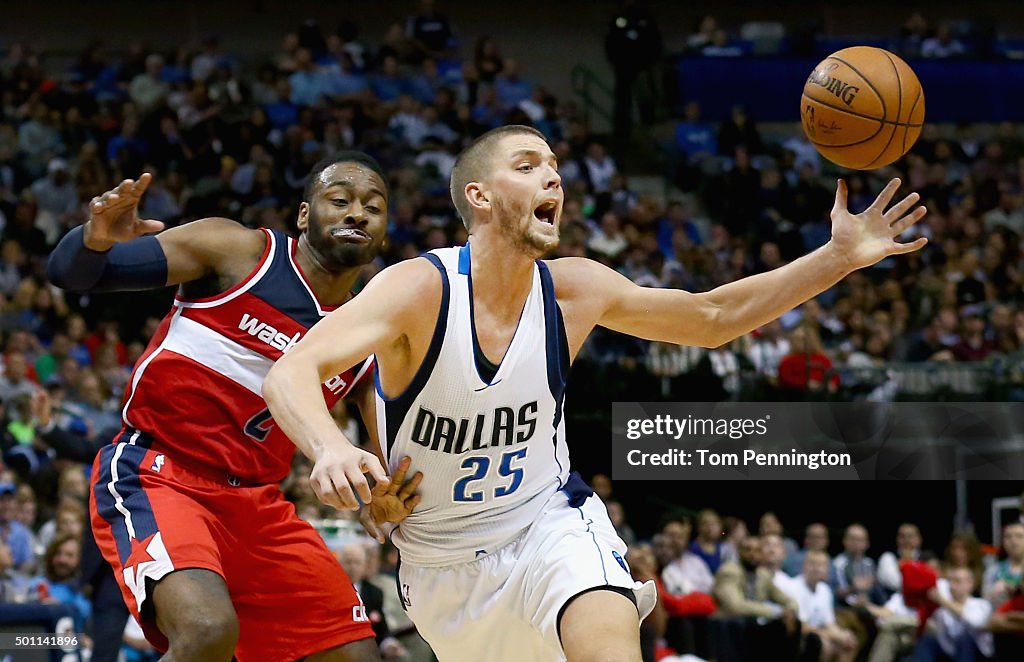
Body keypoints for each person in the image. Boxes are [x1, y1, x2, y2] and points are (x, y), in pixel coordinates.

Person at [263, 124, 928, 661]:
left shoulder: (575, 290)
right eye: (526, 165)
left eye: (554, 165)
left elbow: (714, 318)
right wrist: (328, 448)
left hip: (551, 522)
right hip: (441, 565)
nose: (552, 175)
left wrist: (837, 257)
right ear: (479, 196)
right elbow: (291, 370)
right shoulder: (419, 291)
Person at [45, 152, 421, 662]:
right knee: (205, 632)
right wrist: (95, 238)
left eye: (373, 207)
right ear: (305, 215)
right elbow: (75, 274)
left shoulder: (366, 336)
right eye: (341, 200)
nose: (357, 213)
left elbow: (393, 459)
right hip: (159, 473)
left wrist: (384, 500)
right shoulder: (238, 253)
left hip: (258, 506)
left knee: (354, 655)